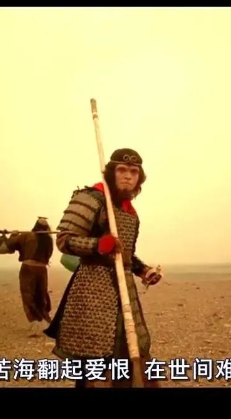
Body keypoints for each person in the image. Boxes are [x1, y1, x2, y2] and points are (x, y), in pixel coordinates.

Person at [45, 148, 163, 388]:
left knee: (132, 352)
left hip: (124, 291)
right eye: (122, 170)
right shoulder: (91, 198)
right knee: (95, 358)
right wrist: (98, 244)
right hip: (93, 290)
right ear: (111, 173)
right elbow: (64, 240)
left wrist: (144, 271)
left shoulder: (130, 212)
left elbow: (124, 254)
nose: (128, 176)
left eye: (134, 172)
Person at [0, 217, 55, 336]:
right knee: (41, 295)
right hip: (42, 270)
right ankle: (45, 320)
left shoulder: (27, 236)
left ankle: (35, 323)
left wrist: (13, 235)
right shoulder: (49, 240)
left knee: (28, 295)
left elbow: (9, 245)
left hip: (28, 269)